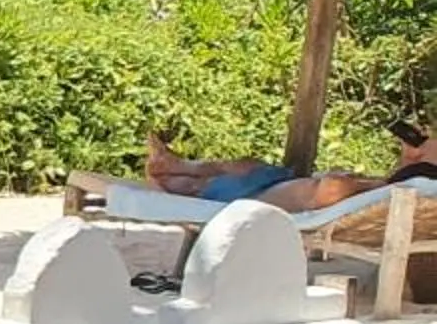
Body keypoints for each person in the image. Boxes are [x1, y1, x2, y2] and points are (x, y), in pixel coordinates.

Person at [145, 130, 437, 212]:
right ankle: (178, 165)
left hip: (262, 201)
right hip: (281, 185)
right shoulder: (388, 184)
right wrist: (406, 160)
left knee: (199, 187)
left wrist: (350, 181)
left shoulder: (387, 191)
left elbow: (331, 188)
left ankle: (170, 177)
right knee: (249, 164)